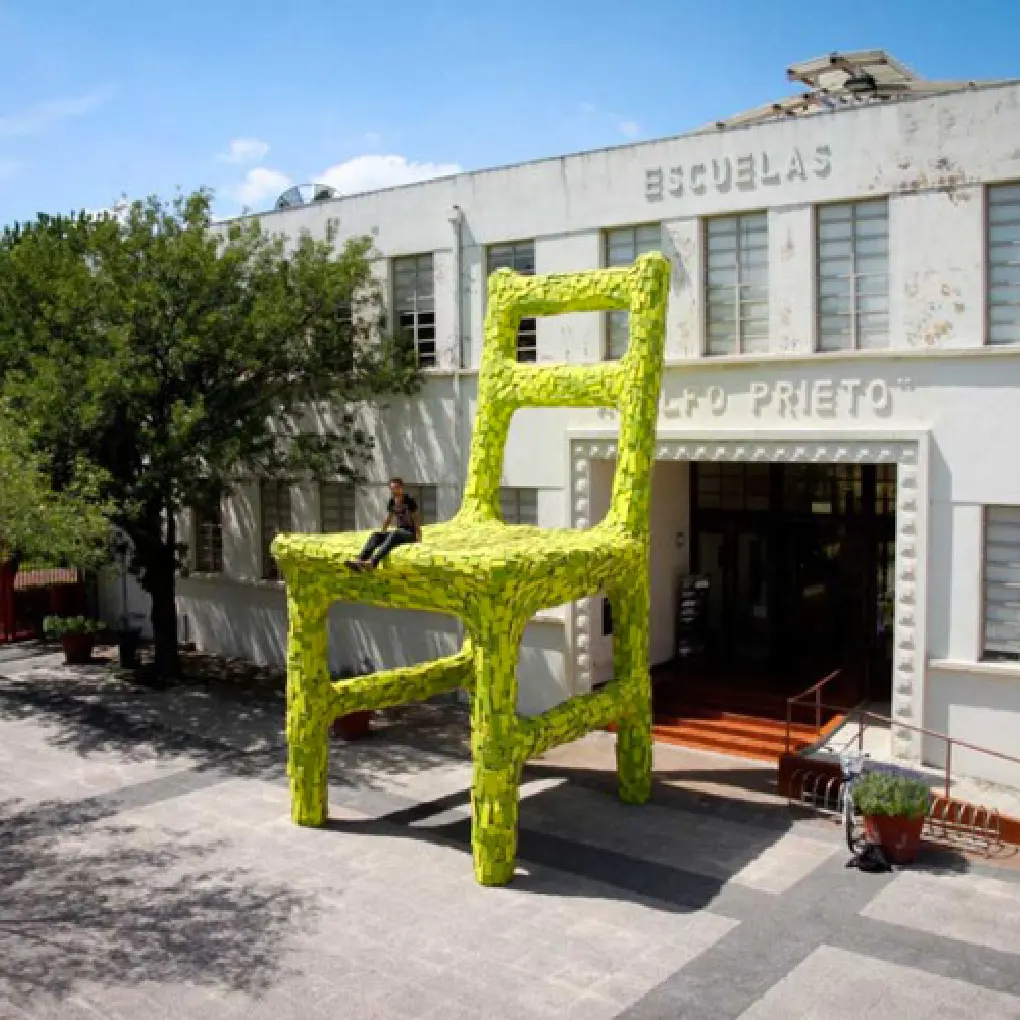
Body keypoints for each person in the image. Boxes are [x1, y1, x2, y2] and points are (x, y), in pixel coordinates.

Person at [347, 477, 421, 570]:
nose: (395, 490)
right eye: (392, 488)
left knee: (395, 532)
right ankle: (360, 560)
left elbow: (416, 519)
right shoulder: (392, 502)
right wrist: (383, 533)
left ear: (402, 487)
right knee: (376, 535)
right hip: (399, 533)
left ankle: (372, 562)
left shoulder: (409, 501)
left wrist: (418, 537)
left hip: (410, 534)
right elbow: (389, 519)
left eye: (397, 487)